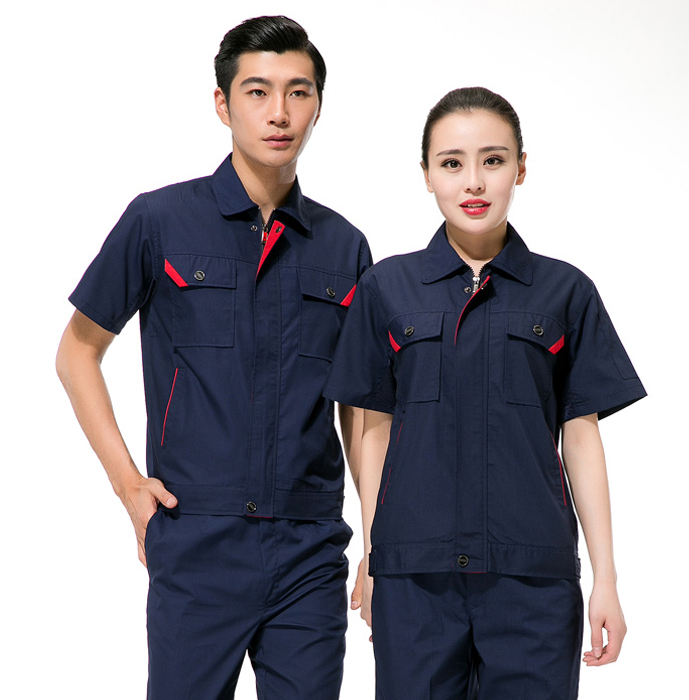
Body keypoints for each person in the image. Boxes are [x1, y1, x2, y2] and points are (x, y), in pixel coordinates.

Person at [56, 16, 370, 700]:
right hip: (195, 539)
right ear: (223, 104)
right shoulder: (159, 221)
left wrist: (377, 538)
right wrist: (129, 487)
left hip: (310, 547)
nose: (279, 112)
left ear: (319, 105)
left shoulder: (343, 246)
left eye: (298, 92)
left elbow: (361, 408)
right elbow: (77, 352)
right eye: (257, 92)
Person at [324, 87, 646, 699]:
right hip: (415, 579)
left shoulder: (566, 291)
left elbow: (580, 437)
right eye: (451, 162)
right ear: (426, 174)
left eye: (493, 160)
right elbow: (373, 432)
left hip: (533, 580)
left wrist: (605, 578)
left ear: (521, 168)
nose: (473, 181)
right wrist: (375, 552)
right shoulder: (386, 288)